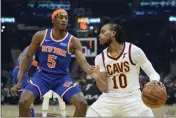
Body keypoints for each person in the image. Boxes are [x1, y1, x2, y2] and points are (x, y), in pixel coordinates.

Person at [11, 9, 96, 117]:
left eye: (66, 18)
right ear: (53, 20)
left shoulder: (73, 41)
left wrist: (92, 71)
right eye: (60, 17)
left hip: (61, 79)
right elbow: (27, 57)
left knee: (82, 103)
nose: (64, 20)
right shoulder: (40, 36)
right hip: (42, 76)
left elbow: (83, 63)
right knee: (23, 101)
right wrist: (19, 81)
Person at [86, 18, 165, 117]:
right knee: (91, 115)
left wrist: (154, 80)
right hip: (110, 98)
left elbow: (152, 72)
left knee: (147, 115)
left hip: (133, 97)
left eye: (103, 32)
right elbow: (104, 88)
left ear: (113, 33)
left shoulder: (134, 51)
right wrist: (97, 79)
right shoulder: (100, 58)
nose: (99, 35)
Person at [11, 46, 38, 117]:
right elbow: (22, 62)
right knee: (28, 100)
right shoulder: (32, 49)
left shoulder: (29, 49)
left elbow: (33, 62)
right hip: (21, 73)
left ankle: (21, 116)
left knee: (23, 100)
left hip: (17, 71)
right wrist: (20, 79)